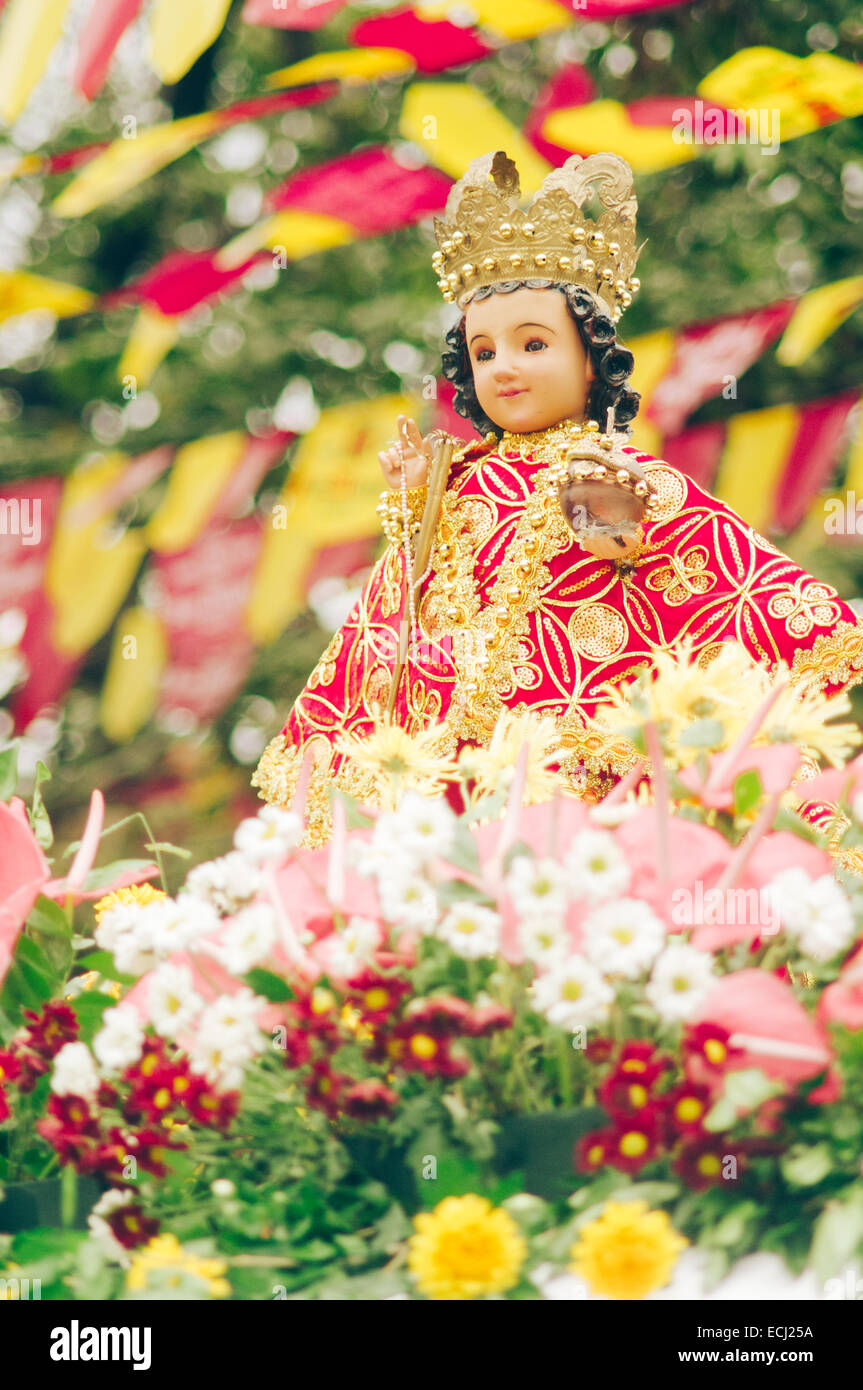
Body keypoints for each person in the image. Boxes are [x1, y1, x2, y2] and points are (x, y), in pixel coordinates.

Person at [253, 150, 863, 848]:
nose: (503, 367)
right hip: (441, 781)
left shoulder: (611, 465)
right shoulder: (460, 481)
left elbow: (714, 579)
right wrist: (417, 513)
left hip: (581, 773)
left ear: (590, 358)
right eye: (482, 354)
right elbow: (396, 629)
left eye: (532, 343)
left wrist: (608, 519)